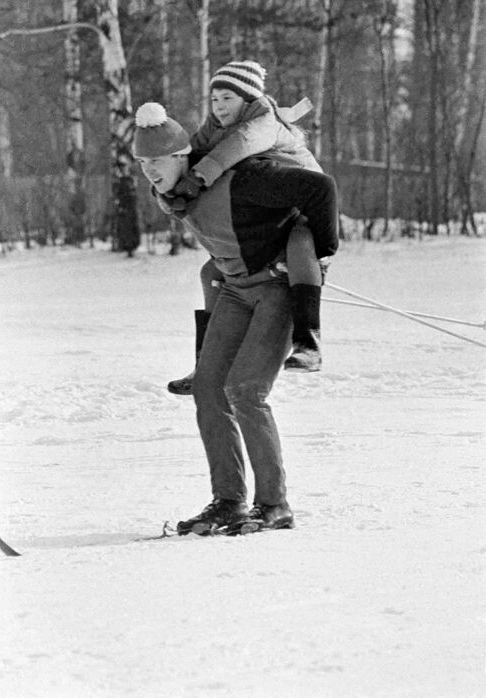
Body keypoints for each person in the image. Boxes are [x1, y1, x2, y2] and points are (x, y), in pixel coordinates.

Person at [133, 102, 338, 535]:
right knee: (209, 388)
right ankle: (228, 501)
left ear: (183, 156)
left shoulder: (244, 181)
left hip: (277, 289)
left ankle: (274, 504)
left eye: (159, 160)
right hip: (235, 288)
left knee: (246, 390)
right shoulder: (170, 194)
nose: (150, 171)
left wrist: (318, 254)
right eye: (143, 162)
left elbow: (321, 189)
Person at [164, 61, 330, 395]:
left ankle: (309, 343)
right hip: (271, 218)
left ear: (248, 98)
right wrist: (169, 185)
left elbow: (235, 148)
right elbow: (192, 152)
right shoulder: (215, 125)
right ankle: (204, 366)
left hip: (307, 211)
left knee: (300, 244)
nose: (219, 106)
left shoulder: (264, 122)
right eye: (214, 99)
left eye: (227, 98)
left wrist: (197, 178)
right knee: (212, 270)